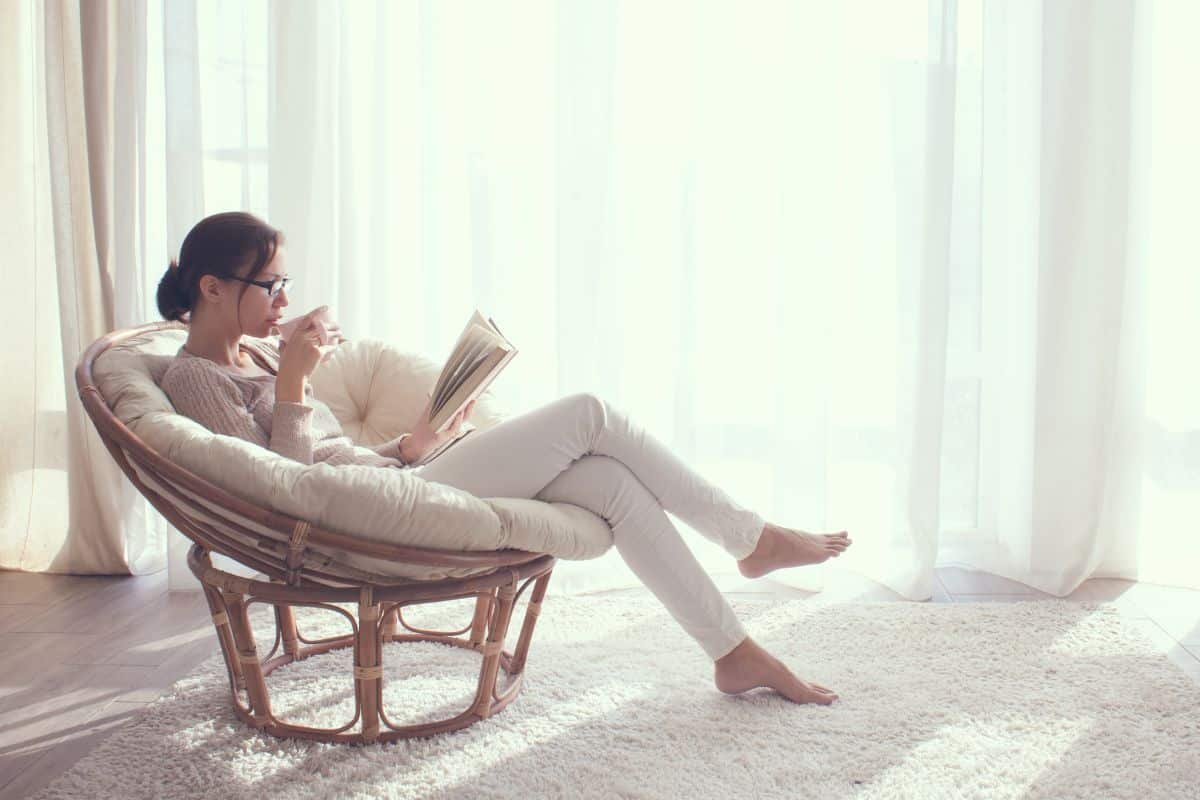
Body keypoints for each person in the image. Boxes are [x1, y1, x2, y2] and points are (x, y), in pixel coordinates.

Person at [157, 211, 853, 705]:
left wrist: (413, 444)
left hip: (392, 485)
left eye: (284, 282)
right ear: (212, 288)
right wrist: (293, 383)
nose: (284, 300)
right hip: (364, 525)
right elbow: (280, 492)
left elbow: (328, 459)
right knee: (591, 413)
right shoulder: (195, 377)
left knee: (608, 479)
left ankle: (732, 653)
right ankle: (750, 538)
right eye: (269, 286)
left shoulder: (258, 353)